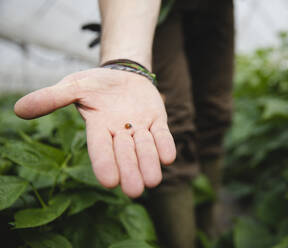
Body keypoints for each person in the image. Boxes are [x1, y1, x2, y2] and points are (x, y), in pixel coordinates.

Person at [14, 1, 234, 247]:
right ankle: (183, 240)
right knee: (173, 120)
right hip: (156, 13)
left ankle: (208, 227)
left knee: (215, 110)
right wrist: (127, 64)